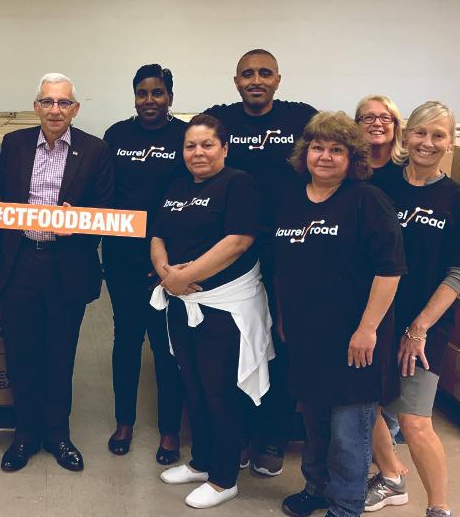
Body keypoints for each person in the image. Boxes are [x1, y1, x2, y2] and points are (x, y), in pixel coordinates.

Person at [274, 112, 406, 517]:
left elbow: (390, 270)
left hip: (355, 341)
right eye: (318, 147)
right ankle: (316, 488)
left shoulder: (367, 201)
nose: (325, 157)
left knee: (349, 433)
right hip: (306, 338)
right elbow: (282, 267)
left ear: (353, 158)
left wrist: (368, 329)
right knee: (315, 425)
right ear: (305, 153)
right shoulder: (291, 200)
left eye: (336, 150)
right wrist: (283, 319)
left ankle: (345, 505)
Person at [365, 102, 460, 517]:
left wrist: (418, 327)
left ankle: (439, 507)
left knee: (415, 420)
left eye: (438, 136)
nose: (427, 143)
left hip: (423, 325)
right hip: (373, 318)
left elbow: (459, 272)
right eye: (420, 133)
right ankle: (391, 476)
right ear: (406, 136)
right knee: (363, 406)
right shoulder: (381, 188)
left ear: (450, 143)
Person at [202, 48, 317, 476]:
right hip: (232, 252)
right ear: (236, 81)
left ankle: (274, 436)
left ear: (278, 79)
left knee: (282, 343)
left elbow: (333, 154)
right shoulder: (221, 119)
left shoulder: (301, 118)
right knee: (239, 343)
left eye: (264, 73)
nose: (256, 80)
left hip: (290, 250)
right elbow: (193, 146)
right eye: (247, 73)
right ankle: (241, 433)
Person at [150, 114, 273, 509]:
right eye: (190, 146)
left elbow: (237, 242)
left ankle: (224, 479)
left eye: (206, 145)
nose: (198, 153)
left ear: (224, 148)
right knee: (195, 387)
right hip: (183, 303)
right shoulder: (174, 186)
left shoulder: (239, 184)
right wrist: (167, 274)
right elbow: (158, 235)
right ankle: (202, 461)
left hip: (225, 307)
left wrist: (185, 277)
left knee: (220, 393)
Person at [0, 73, 114, 473]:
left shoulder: (95, 150)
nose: (55, 110)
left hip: (68, 264)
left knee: (60, 355)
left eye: (63, 103)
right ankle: (25, 435)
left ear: (75, 109)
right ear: (36, 106)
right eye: (48, 102)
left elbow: (106, 210)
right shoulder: (12, 145)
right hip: (21, 260)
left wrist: (77, 222)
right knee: (22, 353)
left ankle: (58, 436)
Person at [102, 64, 185, 464]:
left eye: (157, 93)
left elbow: (190, 196)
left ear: (170, 96)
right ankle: (125, 422)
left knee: (166, 347)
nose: (149, 101)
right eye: (142, 93)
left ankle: (170, 431)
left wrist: (167, 260)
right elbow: (103, 192)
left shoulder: (185, 137)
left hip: (168, 260)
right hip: (121, 257)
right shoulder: (117, 135)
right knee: (126, 340)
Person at [355, 95, 404, 186]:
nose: (377, 123)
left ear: (395, 126)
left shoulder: (410, 166)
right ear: (357, 125)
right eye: (369, 117)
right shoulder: (347, 165)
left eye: (385, 118)